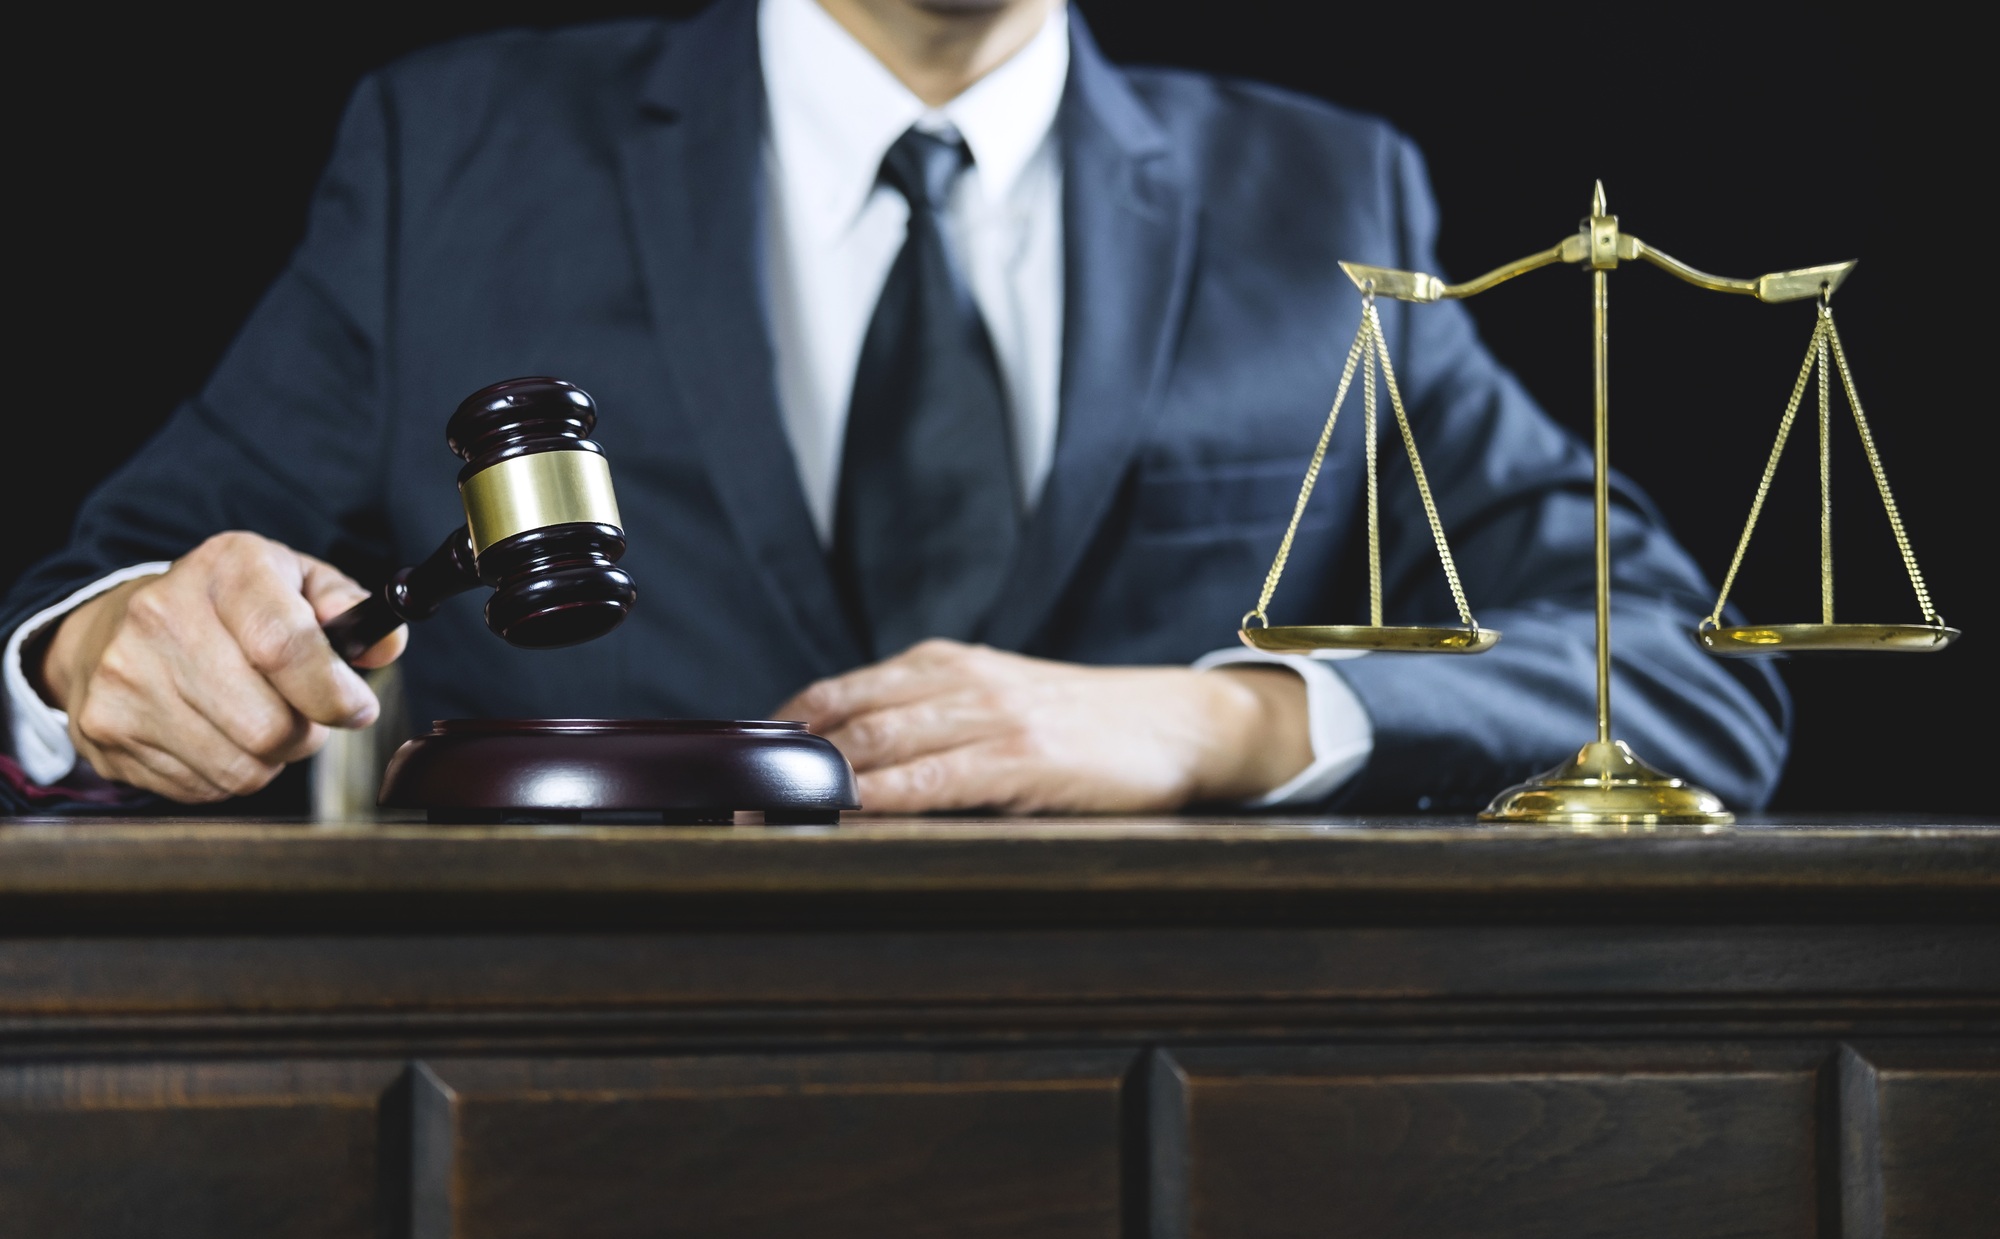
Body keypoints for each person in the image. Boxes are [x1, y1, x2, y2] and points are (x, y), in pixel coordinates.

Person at [0, 0, 1787, 814]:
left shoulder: (1325, 205)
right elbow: (110, 593)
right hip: (567, 1140)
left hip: (1193, 1159)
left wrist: (1211, 724)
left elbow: (1688, 669)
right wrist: (110, 658)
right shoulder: (452, 156)